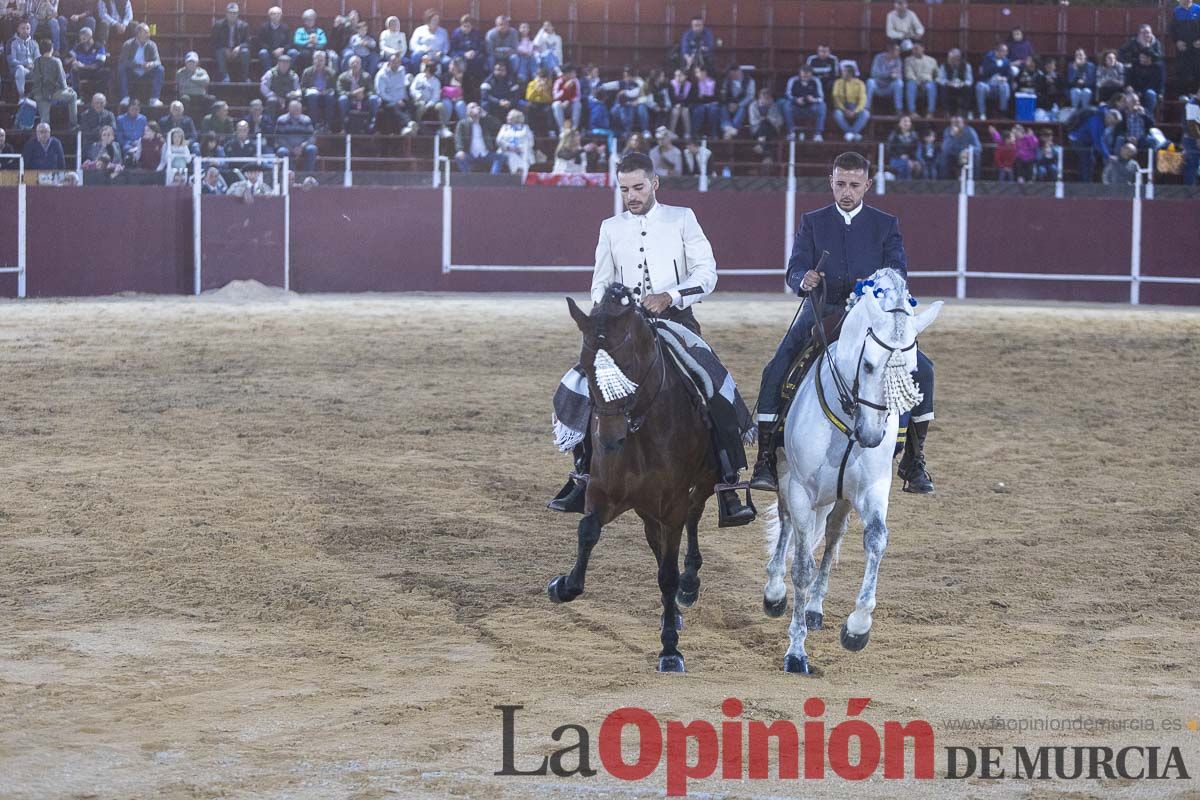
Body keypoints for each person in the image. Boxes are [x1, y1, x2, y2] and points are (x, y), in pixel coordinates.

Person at [549, 151, 755, 526]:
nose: (632, 195)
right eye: (625, 188)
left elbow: (707, 272)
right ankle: (582, 472)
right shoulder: (610, 227)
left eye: (639, 187)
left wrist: (671, 296)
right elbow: (600, 280)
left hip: (676, 320)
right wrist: (605, 311)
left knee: (712, 381)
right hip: (623, 329)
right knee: (583, 383)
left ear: (655, 184)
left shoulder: (682, 218)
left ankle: (728, 482)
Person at [750, 151, 936, 494]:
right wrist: (800, 279)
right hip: (823, 311)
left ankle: (914, 458)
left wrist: (881, 293)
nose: (846, 192)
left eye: (853, 185)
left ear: (867, 184)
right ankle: (765, 459)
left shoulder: (886, 224)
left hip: (872, 318)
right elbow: (795, 267)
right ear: (830, 182)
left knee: (923, 370)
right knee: (776, 368)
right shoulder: (813, 221)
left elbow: (898, 272)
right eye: (840, 184)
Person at [29, 38, 78, 129]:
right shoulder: (56, 61)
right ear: (52, 48)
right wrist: (67, 88)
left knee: (45, 121)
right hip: (54, 93)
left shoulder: (36, 61)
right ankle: (73, 124)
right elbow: (62, 80)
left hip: (39, 93)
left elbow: (34, 79)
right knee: (73, 96)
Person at [118, 23, 164, 106]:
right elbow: (123, 61)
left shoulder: (152, 44)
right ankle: (125, 97)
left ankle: (154, 99)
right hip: (132, 72)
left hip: (146, 72)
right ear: (138, 33)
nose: (148, 35)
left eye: (148, 32)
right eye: (146, 32)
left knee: (160, 69)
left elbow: (158, 61)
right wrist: (139, 65)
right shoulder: (128, 44)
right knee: (121, 68)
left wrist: (151, 64)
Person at [453, 101, 503, 173]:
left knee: (500, 157)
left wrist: (486, 115)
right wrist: (460, 150)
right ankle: (468, 178)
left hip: (485, 153)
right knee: (458, 157)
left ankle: (493, 178)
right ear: (467, 111)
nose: (476, 108)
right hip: (471, 154)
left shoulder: (485, 121)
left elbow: (498, 126)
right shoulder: (462, 123)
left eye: (476, 106)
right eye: (472, 107)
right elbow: (458, 137)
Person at [780, 63, 825, 141]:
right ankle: (791, 132)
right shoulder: (793, 80)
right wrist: (796, 100)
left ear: (811, 74)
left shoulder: (816, 80)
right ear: (800, 73)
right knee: (786, 104)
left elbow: (821, 97)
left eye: (808, 75)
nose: (805, 77)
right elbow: (787, 94)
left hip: (811, 107)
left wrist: (813, 99)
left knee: (823, 105)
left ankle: (818, 134)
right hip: (796, 106)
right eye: (803, 75)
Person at [212, 2, 250, 82]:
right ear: (226, 13)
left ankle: (245, 77)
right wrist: (225, 49)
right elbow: (214, 42)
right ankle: (225, 76)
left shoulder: (244, 25)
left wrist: (239, 47)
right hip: (224, 50)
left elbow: (248, 42)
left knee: (245, 52)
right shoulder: (218, 25)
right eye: (230, 13)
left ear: (237, 14)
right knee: (219, 52)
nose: (232, 15)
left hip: (237, 51)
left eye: (235, 13)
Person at [831, 61, 869, 141]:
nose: (842, 73)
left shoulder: (860, 83)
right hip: (842, 107)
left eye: (844, 71)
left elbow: (862, 99)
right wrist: (844, 110)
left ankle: (850, 133)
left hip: (854, 107)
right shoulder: (838, 82)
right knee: (837, 114)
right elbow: (836, 98)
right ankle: (853, 133)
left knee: (865, 114)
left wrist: (855, 111)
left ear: (850, 73)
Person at [1170, 0, 1200, 93]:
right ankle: (1183, 95)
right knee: (1182, 71)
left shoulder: (1198, 9)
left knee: (1197, 70)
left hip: (1197, 48)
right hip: (1182, 48)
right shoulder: (1176, 11)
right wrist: (1177, 41)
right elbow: (1172, 29)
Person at [255, 6, 293, 75]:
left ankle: (287, 73)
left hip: (282, 52)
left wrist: (283, 49)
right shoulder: (264, 27)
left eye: (278, 14)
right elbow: (260, 42)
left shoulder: (286, 28)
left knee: (294, 52)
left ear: (281, 16)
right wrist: (272, 50)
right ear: (269, 15)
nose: (276, 16)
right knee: (262, 52)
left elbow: (290, 42)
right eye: (273, 14)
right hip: (269, 52)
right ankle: (270, 74)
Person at [904, 42, 937, 117]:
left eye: (916, 48)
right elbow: (908, 73)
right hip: (915, 82)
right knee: (910, 84)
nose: (914, 51)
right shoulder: (908, 60)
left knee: (932, 86)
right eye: (913, 49)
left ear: (923, 48)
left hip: (927, 82)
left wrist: (931, 81)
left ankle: (930, 112)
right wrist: (918, 82)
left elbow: (937, 75)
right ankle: (912, 112)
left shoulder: (932, 60)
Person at [938, 48, 973, 117]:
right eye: (949, 58)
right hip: (949, 86)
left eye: (952, 58)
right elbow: (941, 79)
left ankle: (965, 111)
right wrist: (949, 83)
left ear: (958, 58)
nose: (950, 60)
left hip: (961, 86)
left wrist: (962, 83)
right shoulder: (944, 66)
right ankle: (946, 111)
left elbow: (969, 80)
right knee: (943, 88)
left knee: (968, 88)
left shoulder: (966, 66)